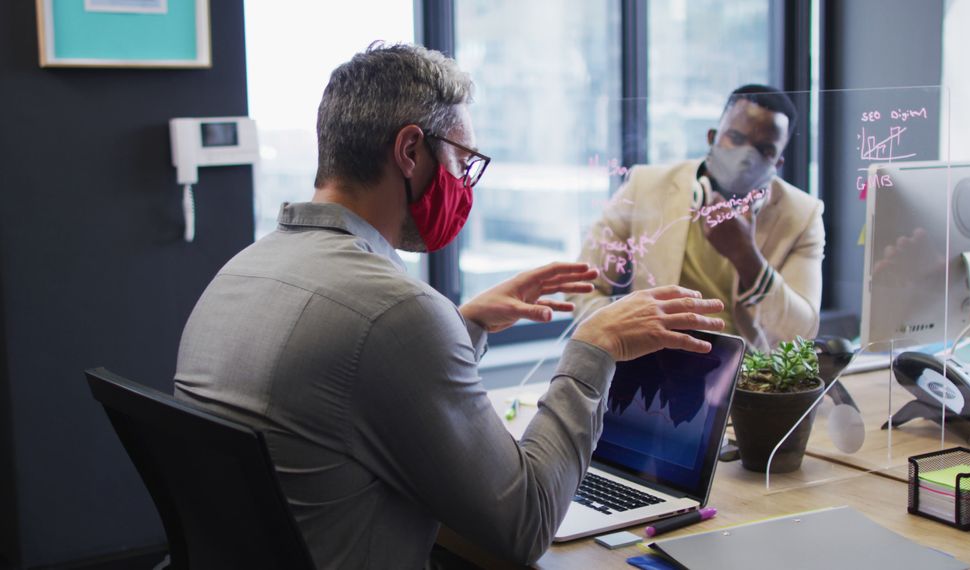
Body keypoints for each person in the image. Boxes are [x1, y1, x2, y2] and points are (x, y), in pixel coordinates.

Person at [173, 43, 725, 569]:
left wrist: (463, 325)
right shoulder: (394, 312)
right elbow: (526, 527)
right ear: (410, 151)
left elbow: (347, 388)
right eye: (463, 161)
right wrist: (593, 349)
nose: (465, 183)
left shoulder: (241, 271)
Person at [572, 85, 824, 351]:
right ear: (712, 138)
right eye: (736, 138)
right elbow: (583, 286)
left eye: (764, 149)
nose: (746, 157)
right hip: (652, 362)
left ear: (777, 163)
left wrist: (747, 257)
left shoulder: (802, 215)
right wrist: (620, 342)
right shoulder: (646, 186)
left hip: (748, 376)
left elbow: (801, 333)